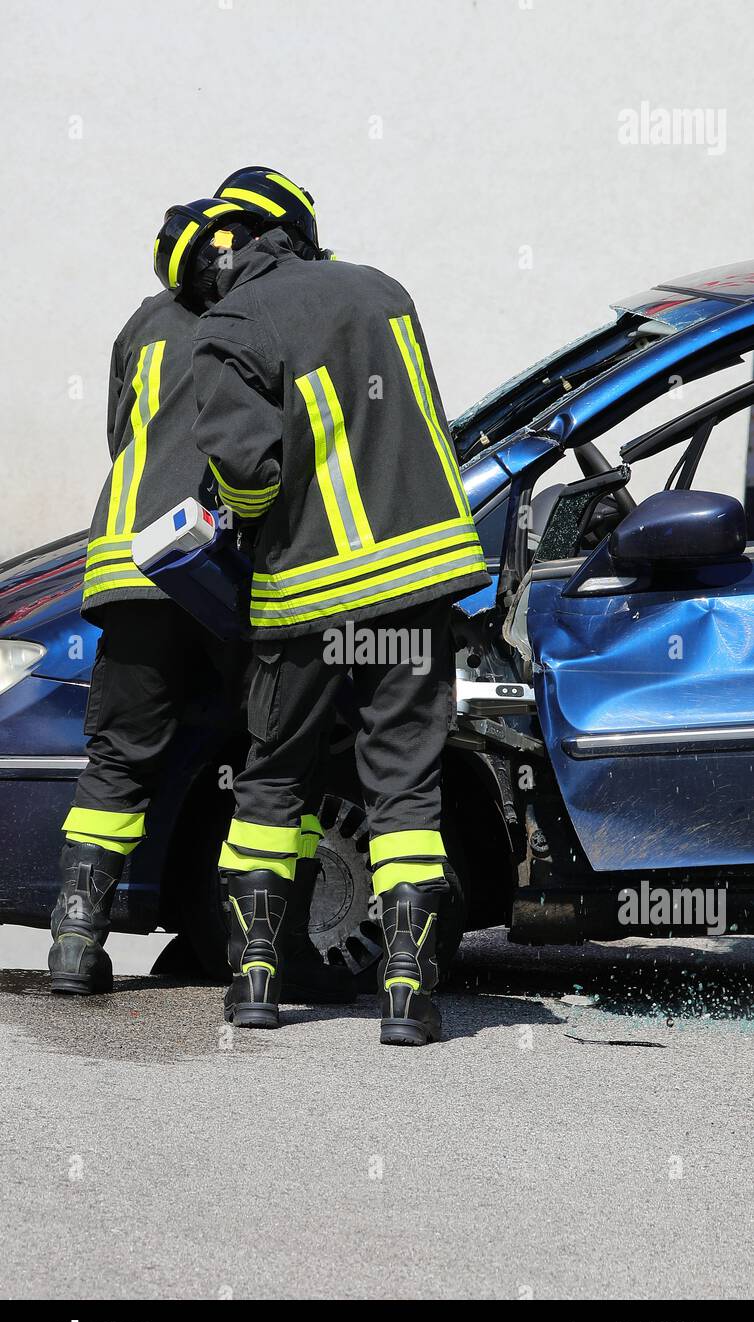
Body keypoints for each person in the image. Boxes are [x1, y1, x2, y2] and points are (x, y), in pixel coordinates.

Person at [192, 175, 489, 1044]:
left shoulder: (235, 324)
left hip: (312, 597)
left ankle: (254, 984)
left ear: (236, 246)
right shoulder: (385, 292)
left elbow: (247, 474)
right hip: (417, 585)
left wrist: (238, 521)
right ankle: (406, 993)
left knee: (274, 777)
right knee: (404, 786)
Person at [50, 178, 355, 1009]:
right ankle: (271, 950)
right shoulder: (267, 319)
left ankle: (76, 940)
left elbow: (124, 437)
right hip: (225, 573)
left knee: (118, 758)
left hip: (126, 566)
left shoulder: (142, 326)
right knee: (276, 757)